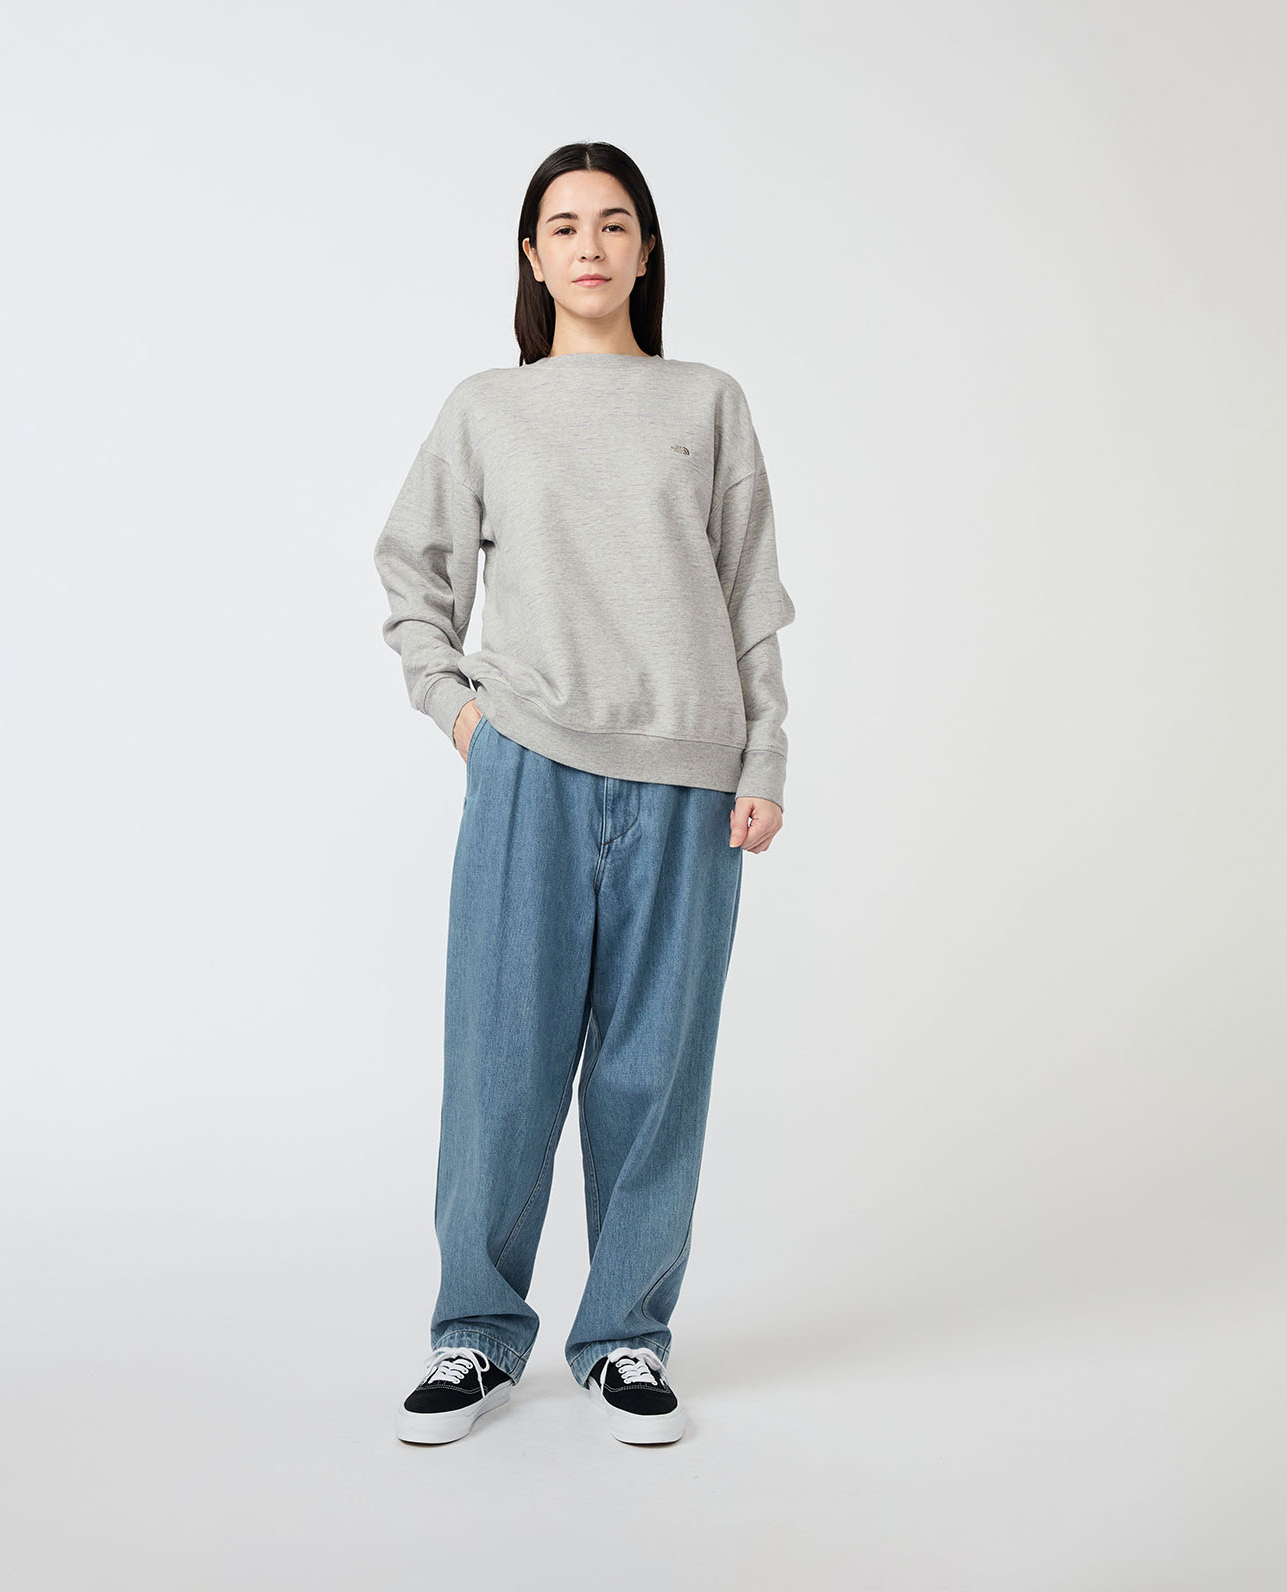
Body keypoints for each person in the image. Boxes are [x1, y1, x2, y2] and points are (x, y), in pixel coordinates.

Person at [372, 142, 796, 1446]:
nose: (592, 245)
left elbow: (750, 597)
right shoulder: (488, 410)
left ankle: (626, 1339)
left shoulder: (707, 402)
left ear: (646, 250)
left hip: (688, 781)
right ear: (533, 255)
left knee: (653, 1075)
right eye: (565, 226)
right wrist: (459, 712)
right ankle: (475, 1333)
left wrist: (765, 758)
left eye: (615, 224)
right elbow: (412, 574)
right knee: (501, 1065)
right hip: (531, 769)